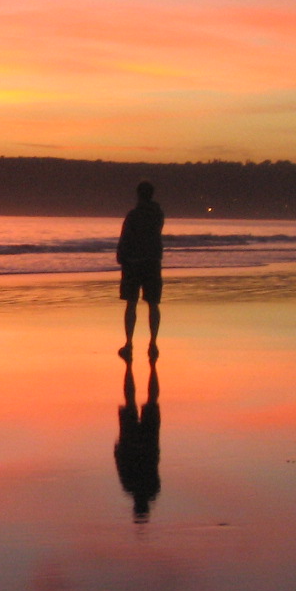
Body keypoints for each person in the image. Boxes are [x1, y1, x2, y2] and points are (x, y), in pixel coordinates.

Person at [117, 181, 165, 361]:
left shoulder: (134, 215)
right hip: (152, 261)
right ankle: (153, 343)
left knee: (131, 303)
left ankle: (129, 343)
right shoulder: (158, 214)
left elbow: (126, 237)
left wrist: (121, 255)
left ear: (138, 194)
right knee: (153, 303)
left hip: (133, 262)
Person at [114, 360, 161, 523]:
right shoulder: (136, 487)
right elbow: (121, 462)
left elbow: (122, 462)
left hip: (144, 442)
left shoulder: (151, 489)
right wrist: (118, 449)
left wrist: (118, 449)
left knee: (143, 401)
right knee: (139, 401)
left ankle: (137, 365)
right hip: (138, 442)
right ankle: (147, 365)